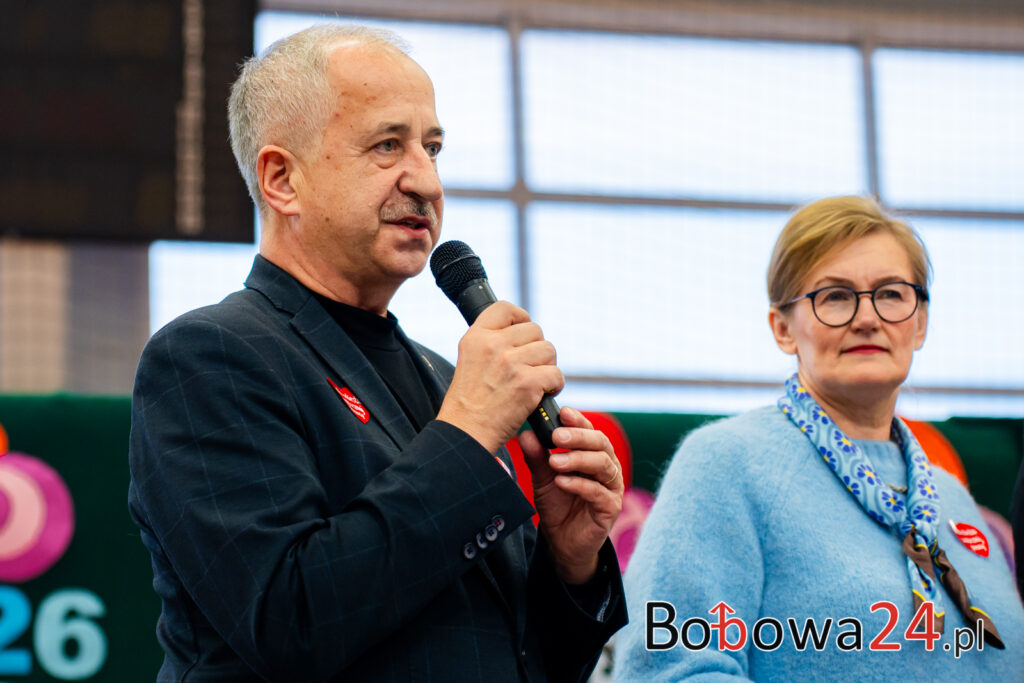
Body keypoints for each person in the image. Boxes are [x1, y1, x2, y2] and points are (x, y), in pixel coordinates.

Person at [128, 25, 625, 682]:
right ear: (281, 179)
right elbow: (291, 622)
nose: (426, 181)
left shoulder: (442, 377)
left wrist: (570, 560)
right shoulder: (209, 356)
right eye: (387, 145)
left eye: (432, 148)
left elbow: (515, 657)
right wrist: (468, 433)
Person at [613, 196, 1024, 680]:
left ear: (920, 323)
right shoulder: (724, 465)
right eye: (835, 297)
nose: (867, 318)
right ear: (782, 328)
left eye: (892, 294)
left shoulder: (949, 495)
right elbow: (670, 671)